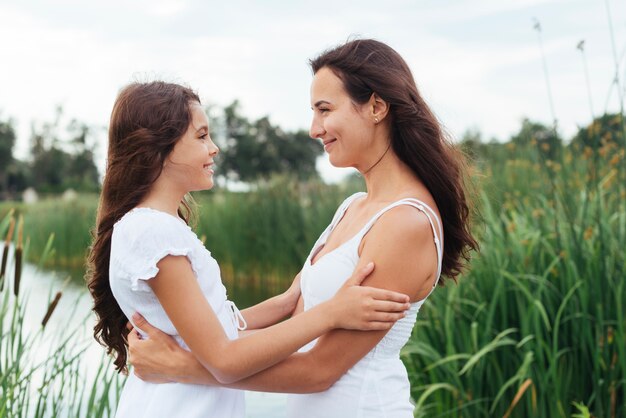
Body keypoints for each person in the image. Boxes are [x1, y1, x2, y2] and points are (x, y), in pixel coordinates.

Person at [126, 39, 478, 417]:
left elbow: (319, 369)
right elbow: (296, 322)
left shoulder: (405, 222)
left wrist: (183, 367)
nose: (314, 129)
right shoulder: (353, 207)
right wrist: (193, 342)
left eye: (325, 110)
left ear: (376, 107)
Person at [85, 80, 414, 418]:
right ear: (159, 147)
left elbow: (218, 324)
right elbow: (225, 359)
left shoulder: (154, 227)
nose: (214, 148)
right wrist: (332, 312)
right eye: (201, 136)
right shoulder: (154, 233)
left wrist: (286, 301)